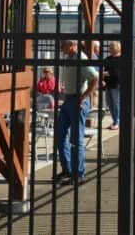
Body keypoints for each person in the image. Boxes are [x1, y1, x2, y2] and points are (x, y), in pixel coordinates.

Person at [55, 40, 98, 185]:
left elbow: (95, 78)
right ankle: (67, 170)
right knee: (60, 134)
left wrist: (84, 97)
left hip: (77, 100)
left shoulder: (81, 58)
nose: (61, 48)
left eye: (63, 45)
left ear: (72, 45)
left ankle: (78, 174)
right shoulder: (69, 58)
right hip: (68, 100)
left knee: (76, 138)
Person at [102, 42, 121, 130]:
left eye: (111, 47)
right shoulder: (108, 58)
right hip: (108, 84)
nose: (109, 49)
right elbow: (105, 69)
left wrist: (106, 73)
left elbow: (117, 73)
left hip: (116, 84)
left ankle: (117, 121)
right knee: (109, 102)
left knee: (116, 103)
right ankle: (115, 121)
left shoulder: (121, 58)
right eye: (109, 47)